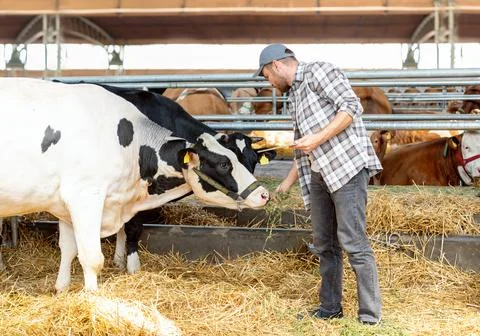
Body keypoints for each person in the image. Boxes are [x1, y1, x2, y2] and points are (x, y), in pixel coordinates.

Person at [253, 44, 382, 324]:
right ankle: (330, 308)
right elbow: (303, 146)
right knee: (325, 244)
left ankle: (370, 317)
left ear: (276, 65)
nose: (268, 83)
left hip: (346, 168)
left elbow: (351, 107)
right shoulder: (294, 98)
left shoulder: (319, 71)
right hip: (319, 173)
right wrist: (286, 184)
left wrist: (318, 138)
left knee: (354, 242)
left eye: (265, 76)